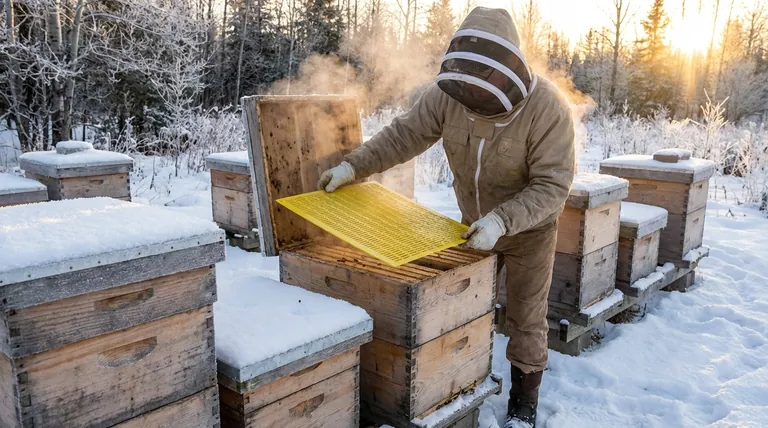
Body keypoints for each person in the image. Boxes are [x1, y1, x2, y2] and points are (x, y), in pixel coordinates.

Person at [317, 6, 575, 428]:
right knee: (462, 306)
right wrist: (353, 166)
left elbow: (552, 186)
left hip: (528, 231)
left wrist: (502, 221)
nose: (474, 105)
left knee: (526, 316)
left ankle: (523, 404)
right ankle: (462, 376)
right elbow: (404, 135)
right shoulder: (447, 96)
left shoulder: (548, 109)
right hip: (471, 225)